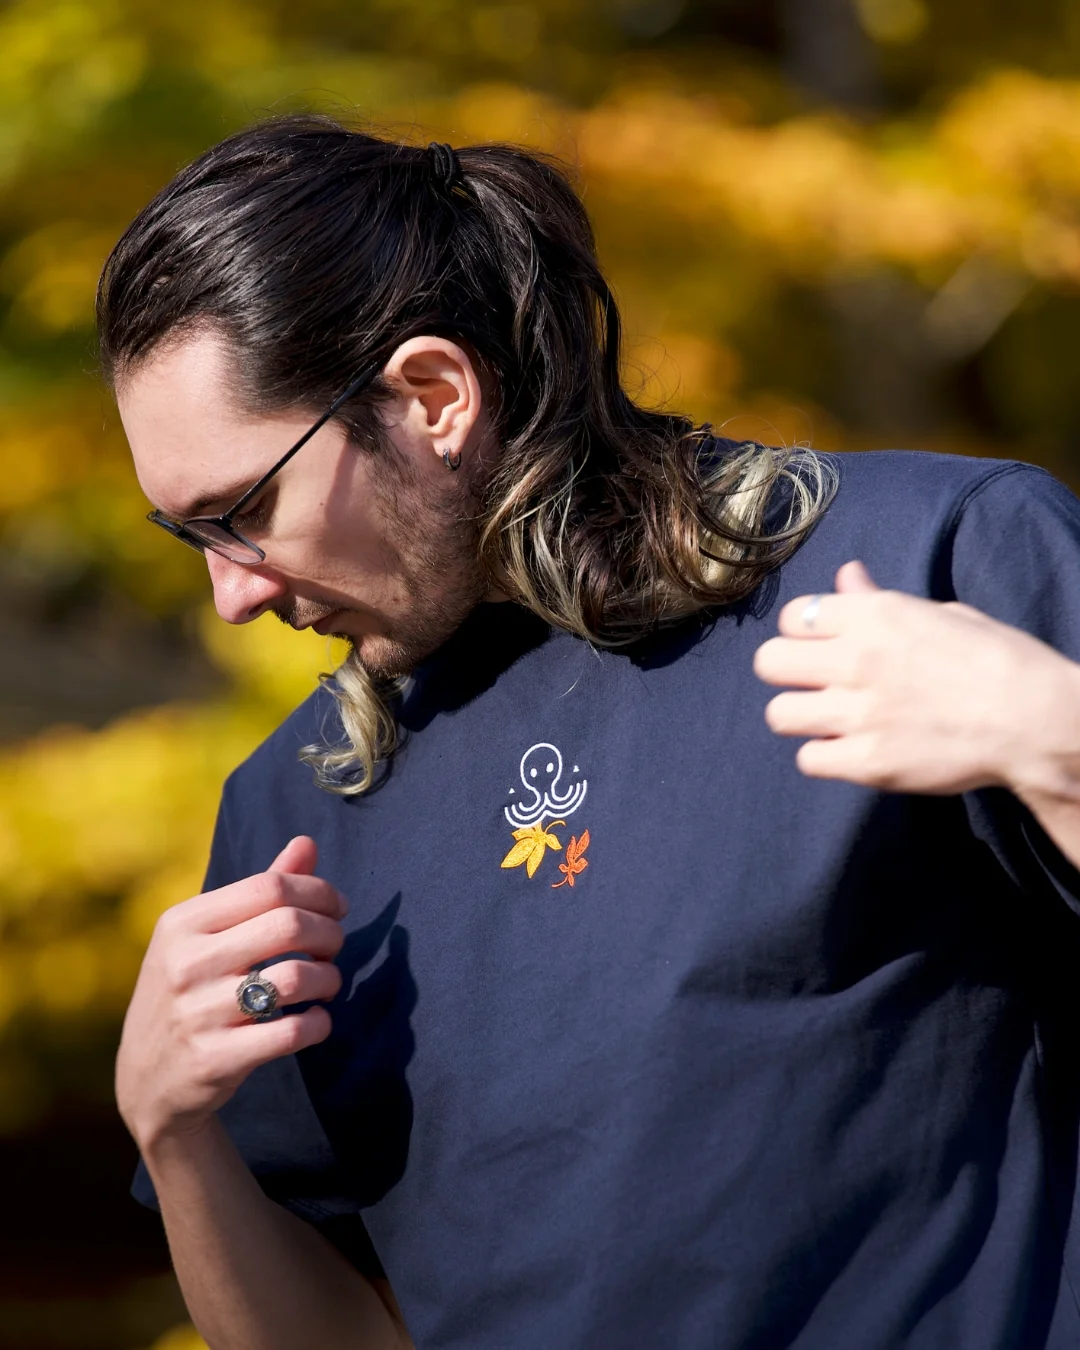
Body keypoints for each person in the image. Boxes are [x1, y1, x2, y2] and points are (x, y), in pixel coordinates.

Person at [97, 117, 1080, 1350]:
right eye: (188, 536)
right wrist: (173, 1134)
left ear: (432, 397)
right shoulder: (293, 811)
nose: (231, 594)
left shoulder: (933, 558)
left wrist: (1060, 746)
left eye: (243, 509)